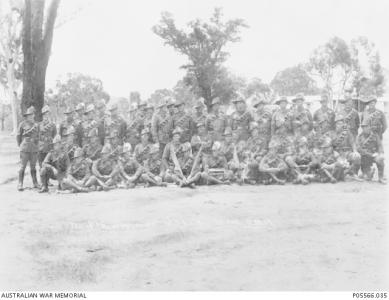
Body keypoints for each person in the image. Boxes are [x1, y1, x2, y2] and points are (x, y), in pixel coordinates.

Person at [330, 115, 361, 180]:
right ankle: (345, 173)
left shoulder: (347, 132)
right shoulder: (331, 134)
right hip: (337, 154)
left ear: (343, 124)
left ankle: (354, 174)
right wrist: (333, 151)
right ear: (335, 124)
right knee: (341, 164)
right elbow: (329, 146)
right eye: (338, 123)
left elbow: (352, 143)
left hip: (347, 152)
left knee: (357, 156)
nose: (339, 125)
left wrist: (355, 151)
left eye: (341, 123)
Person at [16, 106, 39, 191]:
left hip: (34, 149)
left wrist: (36, 144)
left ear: (34, 115)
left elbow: (38, 136)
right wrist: (21, 145)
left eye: (32, 114)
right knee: (23, 167)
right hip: (25, 148)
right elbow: (18, 136)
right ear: (26, 116)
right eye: (29, 115)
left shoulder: (36, 125)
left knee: (33, 167)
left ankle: (35, 183)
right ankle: (20, 183)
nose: (30, 116)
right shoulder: (22, 124)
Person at [356, 119, 386, 183]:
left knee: (380, 159)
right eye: (364, 127)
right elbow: (359, 149)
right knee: (367, 178)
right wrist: (370, 154)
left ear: (370, 127)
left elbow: (380, 145)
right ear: (362, 128)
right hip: (364, 158)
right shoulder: (359, 137)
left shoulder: (375, 135)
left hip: (374, 155)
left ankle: (381, 177)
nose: (366, 128)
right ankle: (367, 173)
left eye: (367, 126)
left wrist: (381, 153)